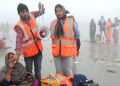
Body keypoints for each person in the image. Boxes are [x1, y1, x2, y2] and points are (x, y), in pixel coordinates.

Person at [12, 3, 45, 85]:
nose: (25, 13)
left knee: (38, 70)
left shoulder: (32, 14)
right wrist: (17, 53)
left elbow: (41, 12)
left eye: (26, 11)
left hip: (38, 50)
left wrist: (41, 8)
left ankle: (39, 84)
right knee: (29, 72)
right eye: (22, 12)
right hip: (28, 53)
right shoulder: (19, 25)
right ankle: (31, 84)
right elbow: (18, 40)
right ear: (19, 13)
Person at [50, 4, 80, 77]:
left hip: (67, 50)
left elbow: (77, 34)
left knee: (68, 71)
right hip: (56, 50)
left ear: (63, 11)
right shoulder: (53, 23)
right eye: (56, 11)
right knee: (58, 72)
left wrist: (71, 41)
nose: (58, 13)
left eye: (60, 10)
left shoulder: (71, 21)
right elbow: (51, 35)